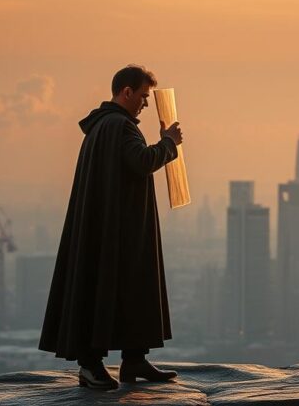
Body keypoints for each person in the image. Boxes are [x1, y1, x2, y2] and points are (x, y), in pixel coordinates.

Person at [39, 65, 184, 390]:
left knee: (125, 288)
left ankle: (134, 360)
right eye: (143, 96)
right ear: (126, 92)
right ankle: (91, 366)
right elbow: (142, 162)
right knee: (108, 288)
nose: (145, 104)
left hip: (113, 226)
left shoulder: (103, 126)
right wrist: (168, 143)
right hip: (120, 229)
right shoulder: (120, 126)